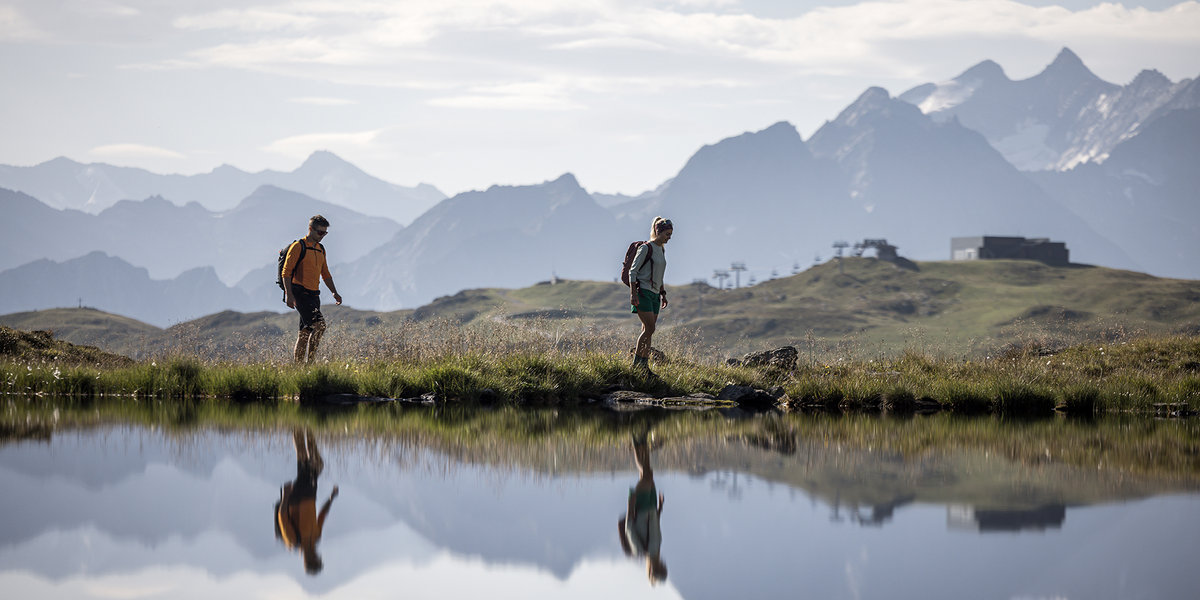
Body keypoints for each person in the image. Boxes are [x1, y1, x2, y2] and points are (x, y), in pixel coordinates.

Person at [274, 428, 338, 575]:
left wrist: (285, 496)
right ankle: (303, 427)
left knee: (314, 463)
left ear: (307, 561)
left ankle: (302, 427)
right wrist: (331, 498)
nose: (317, 555)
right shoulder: (316, 538)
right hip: (310, 495)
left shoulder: (293, 541)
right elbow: (322, 516)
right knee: (308, 462)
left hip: (297, 497)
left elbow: (282, 516)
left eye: (316, 558)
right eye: (318, 558)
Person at [282, 215, 343, 364]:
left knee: (305, 333)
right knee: (320, 326)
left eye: (325, 233)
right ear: (310, 229)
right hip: (299, 292)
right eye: (320, 232)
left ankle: (298, 369)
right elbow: (286, 272)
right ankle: (310, 363)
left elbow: (325, 273)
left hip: (314, 294)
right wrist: (289, 295)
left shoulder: (320, 249)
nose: (322, 236)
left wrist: (334, 291)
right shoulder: (298, 246)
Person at [617, 433, 667, 585]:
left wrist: (630, 505)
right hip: (651, 505)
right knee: (647, 473)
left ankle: (635, 439)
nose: (663, 566)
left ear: (654, 569)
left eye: (661, 569)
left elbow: (629, 528)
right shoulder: (656, 550)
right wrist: (660, 508)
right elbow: (655, 526)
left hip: (640, 507)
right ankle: (641, 438)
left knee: (646, 475)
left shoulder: (640, 551)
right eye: (663, 569)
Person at [628, 217, 673, 374]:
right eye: (667, 234)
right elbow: (632, 272)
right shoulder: (646, 248)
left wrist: (663, 293)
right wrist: (633, 294)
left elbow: (659, 274)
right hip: (643, 293)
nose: (669, 237)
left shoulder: (661, 249)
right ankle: (636, 365)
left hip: (655, 295)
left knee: (648, 330)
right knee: (650, 328)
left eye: (671, 234)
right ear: (658, 232)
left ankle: (643, 367)